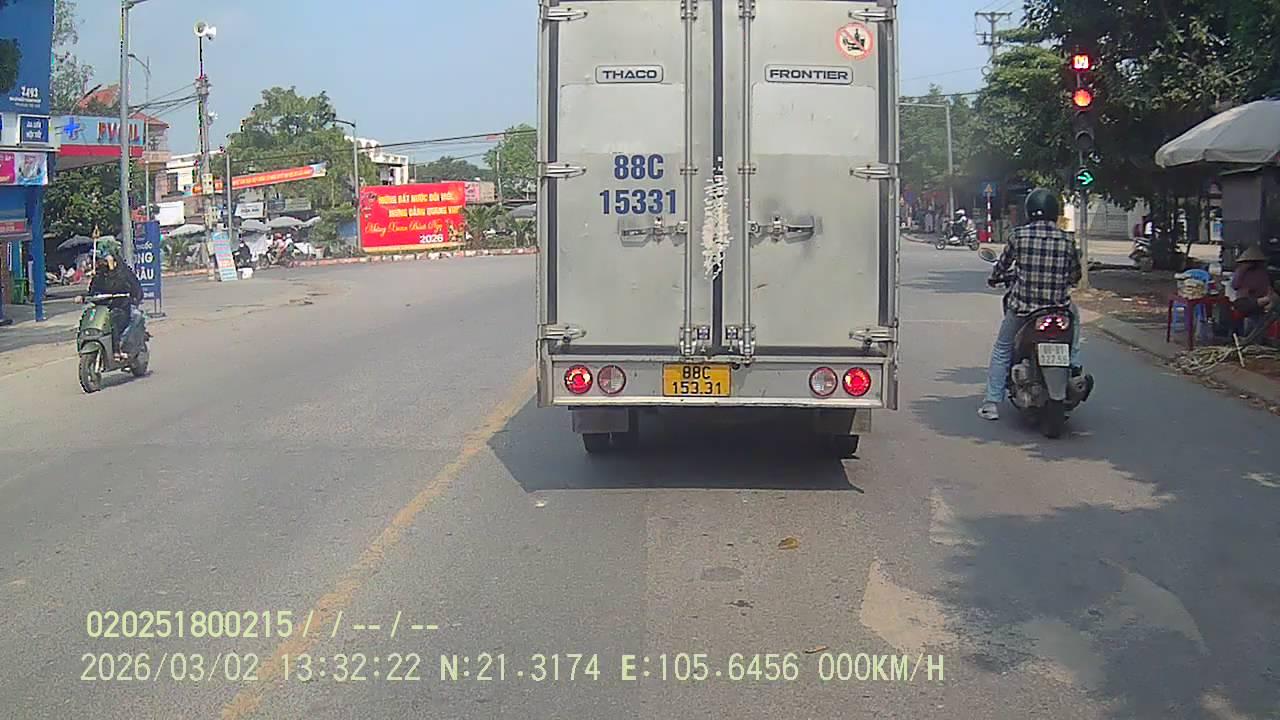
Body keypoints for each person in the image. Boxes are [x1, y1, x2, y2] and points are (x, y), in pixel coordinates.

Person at [979, 189, 1083, 421]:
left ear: (1028, 211)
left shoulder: (1018, 236)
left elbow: (1002, 265)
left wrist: (994, 278)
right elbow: (1075, 274)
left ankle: (991, 403)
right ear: (1054, 212)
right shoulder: (1066, 239)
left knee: (1003, 348)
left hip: (1023, 308)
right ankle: (1074, 363)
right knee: (1075, 319)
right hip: (1059, 308)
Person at [78, 241, 143, 361]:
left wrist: (112, 269)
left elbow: (118, 286)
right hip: (104, 307)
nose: (98, 263)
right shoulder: (100, 273)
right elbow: (93, 291)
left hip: (122, 305)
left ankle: (119, 349)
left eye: (101, 260)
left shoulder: (122, 271)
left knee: (115, 318)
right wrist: (83, 297)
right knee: (87, 315)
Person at [1231, 245, 1277, 336]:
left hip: (1261, 302)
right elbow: (1235, 285)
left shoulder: (1262, 272)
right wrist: (1243, 270)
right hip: (1245, 302)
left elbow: (1267, 286)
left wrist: (1268, 297)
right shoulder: (1241, 272)